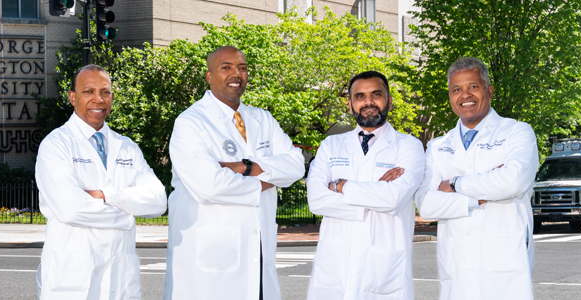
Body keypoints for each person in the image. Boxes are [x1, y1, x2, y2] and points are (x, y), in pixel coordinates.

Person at [164, 46, 305, 300]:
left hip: (259, 248)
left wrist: (246, 167)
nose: (236, 74)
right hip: (210, 258)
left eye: (242, 68)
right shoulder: (190, 122)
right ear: (209, 76)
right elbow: (211, 185)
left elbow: (296, 164)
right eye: (226, 67)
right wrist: (269, 178)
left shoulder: (262, 119)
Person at [35, 64, 168, 299]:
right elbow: (71, 209)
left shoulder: (127, 146)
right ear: (73, 97)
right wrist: (129, 213)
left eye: (105, 92)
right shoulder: (56, 145)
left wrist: (110, 196)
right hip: (73, 280)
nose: (98, 99)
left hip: (121, 280)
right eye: (89, 91)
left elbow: (158, 201)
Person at [414, 57, 539, 300]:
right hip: (456, 267)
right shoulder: (439, 145)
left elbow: (513, 182)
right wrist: (481, 196)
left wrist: (454, 185)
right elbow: (427, 205)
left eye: (473, 86)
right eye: (456, 89)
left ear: (489, 91)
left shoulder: (517, 132)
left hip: (505, 264)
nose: (465, 95)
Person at [305, 71, 425, 300]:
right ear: (350, 104)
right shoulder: (331, 145)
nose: (368, 102)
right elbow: (316, 199)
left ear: (389, 100)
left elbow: (394, 199)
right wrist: (374, 193)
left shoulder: (409, 146)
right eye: (359, 96)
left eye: (376, 94)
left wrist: (340, 185)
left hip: (383, 274)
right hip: (334, 273)